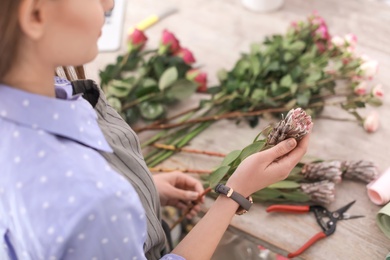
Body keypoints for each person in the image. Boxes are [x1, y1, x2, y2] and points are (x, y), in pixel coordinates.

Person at [0, 1, 311, 260]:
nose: (109, 4)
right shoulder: (94, 202)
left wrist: (140, 190)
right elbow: (86, 205)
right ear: (35, 14)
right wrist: (235, 193)